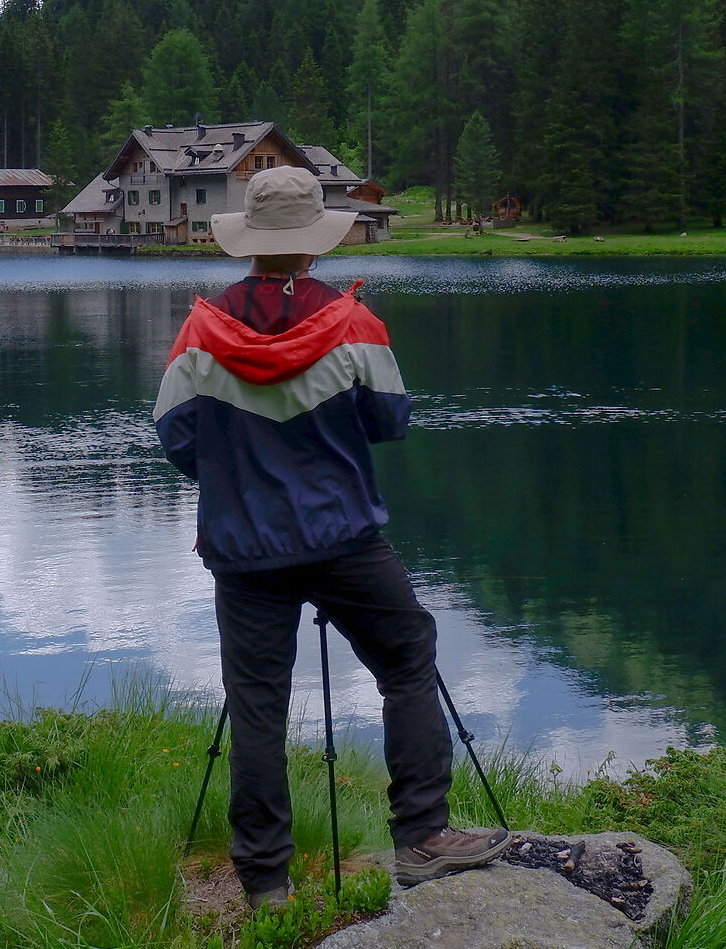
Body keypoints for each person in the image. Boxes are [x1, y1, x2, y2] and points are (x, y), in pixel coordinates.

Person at [153, 164, 509, 910]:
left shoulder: (201, 329)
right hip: (344, 538)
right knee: (407, 654)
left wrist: (238, 482)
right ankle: (421, 836)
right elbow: (390, 423)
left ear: (249, 244)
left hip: (245, 549)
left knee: (256, 704)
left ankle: (266, 882)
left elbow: (177, 438)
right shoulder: (354, 324)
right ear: (316, 242)